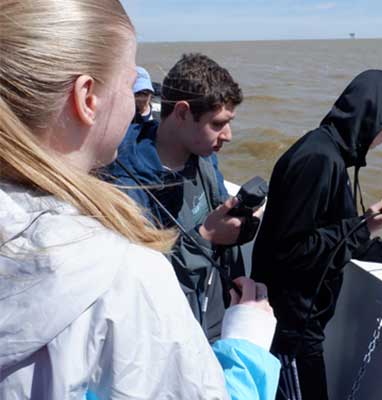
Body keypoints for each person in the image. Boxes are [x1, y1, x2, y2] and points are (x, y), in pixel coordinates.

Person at [0, 1, 278, 398]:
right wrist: (248, 346)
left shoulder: (202, 163)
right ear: (87, 98)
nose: (138, 105)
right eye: (129, 83)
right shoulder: (127, 264)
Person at [251, 70, 382, 400]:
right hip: (291, 329)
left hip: (301, 326)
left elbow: (342, 239)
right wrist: (366, 225)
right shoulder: (318, 159)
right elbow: (290, 251)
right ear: (372, 117)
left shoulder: (329, 154)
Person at [105, 53, 253, 341]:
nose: (228, 135)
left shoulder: (203, 157)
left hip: (206, 314)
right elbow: (138, 283)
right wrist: (206, 236)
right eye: (218, 124)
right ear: (183, 113)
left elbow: (216, 205)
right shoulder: (125, 186)